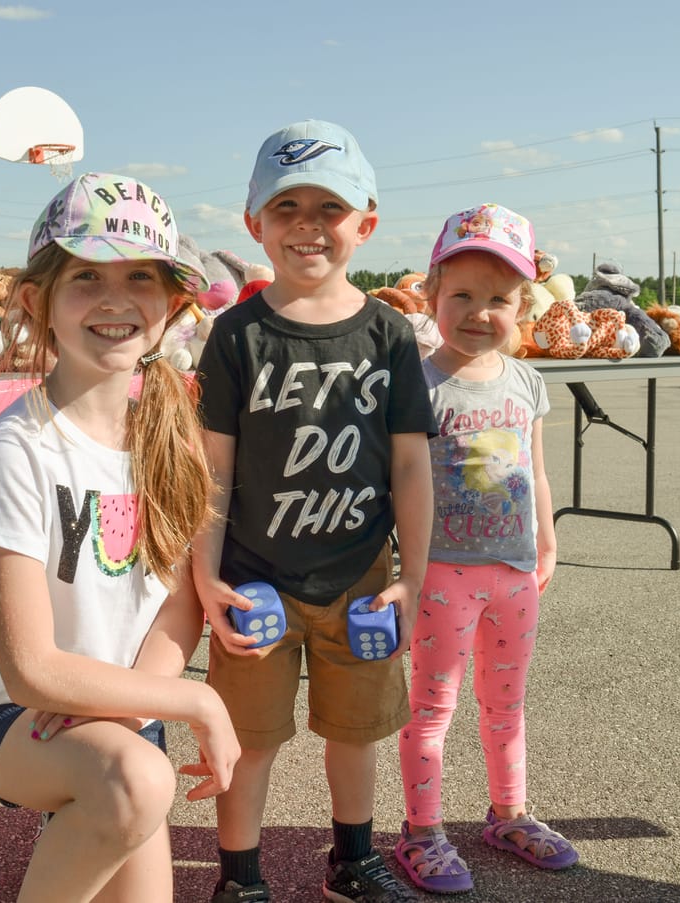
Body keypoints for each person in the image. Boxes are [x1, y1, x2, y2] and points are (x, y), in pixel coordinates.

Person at [0, 172, 241, 902]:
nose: (114, 298)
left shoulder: (168, 438)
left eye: (139, 276)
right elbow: (29, 669)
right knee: (139, 779)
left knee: (138, 783)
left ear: (171, 306)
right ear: (40, 303)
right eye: (85, 277)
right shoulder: (21, 446)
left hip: (129, 710)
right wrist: (196, 703)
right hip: (10, 715)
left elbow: (176, 607)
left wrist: (140, 705)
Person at [193, 120, 435, 903]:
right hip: (254, 577)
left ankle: (353, 862)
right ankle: (241, 877)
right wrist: (204, 578)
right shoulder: (236, 336)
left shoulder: (390, 335)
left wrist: (414, 579)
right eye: (286, 204)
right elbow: (213, 473)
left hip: (360, 576)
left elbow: (409, 464)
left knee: (357, 733)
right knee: (249, 742)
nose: (307, 224)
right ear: (253, 222)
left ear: (364, 221)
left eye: (328, 207)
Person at [394, 204, 579, 895]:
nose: (478, 311)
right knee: (431, 708)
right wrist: (405, 569)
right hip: (443, 574)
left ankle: (509, 813)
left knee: (506, 705)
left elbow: (534, 470)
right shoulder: (419, 381)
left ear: (523, 305)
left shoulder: (527, 384)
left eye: (498, 299)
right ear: (433, 296)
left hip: (515, 572)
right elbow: (400, 481)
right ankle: (422, 831)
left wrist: (548, 540)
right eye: (461, 295)